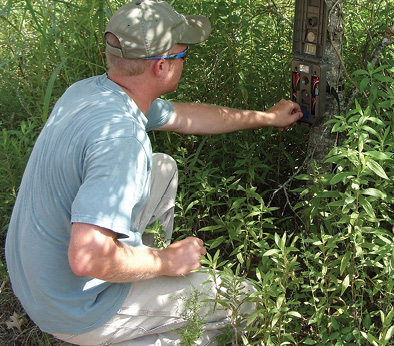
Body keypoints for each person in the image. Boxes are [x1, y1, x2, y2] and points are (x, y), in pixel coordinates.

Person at [5, 0, 302, 345]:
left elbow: (190, 117)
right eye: (183, 55)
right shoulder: (122, 140)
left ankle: (135, 275)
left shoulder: (91, 92)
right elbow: (87, 257)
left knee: (161, 167)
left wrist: (266, 117)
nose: (185, 61)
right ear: (162, 67)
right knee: (249, 301)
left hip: (36, 282)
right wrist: (165, 261)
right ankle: (137, 326)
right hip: (76, 308)